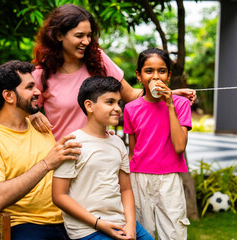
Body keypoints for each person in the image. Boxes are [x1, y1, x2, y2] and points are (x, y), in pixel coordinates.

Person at [30, 3, 196, 140]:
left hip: (99, 158)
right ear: (59, 35)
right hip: (63, 159)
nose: (86, 41)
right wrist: (32, 114)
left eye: (89, 35)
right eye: (79, 35)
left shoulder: (98, 60)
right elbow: (17, 113)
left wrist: (170, 94)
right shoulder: (42, 74)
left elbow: (130, 94)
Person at [0, 60, 82, 240]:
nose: (37, 92)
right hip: (21, 225)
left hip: (66, 220)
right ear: (8, 96)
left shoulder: (40, 126)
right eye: (30, 87)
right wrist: (46, 164)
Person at [52, 76, 154, 240]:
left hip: (120, 222)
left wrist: (131, 224)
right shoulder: (72, 143)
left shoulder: (118, 143)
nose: (117, 108)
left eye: (119, 102)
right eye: (110, 102)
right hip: (88, 229)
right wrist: (98, 223)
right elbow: (59, 196)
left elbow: (125, 189)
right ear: (89, 105)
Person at [123, 48, 192, 240]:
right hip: (139, 178)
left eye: (161, 71)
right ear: (139, 75)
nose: (156, 76)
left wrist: (169, 104)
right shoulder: (130, 108)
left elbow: (180, 147)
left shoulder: (180, 104)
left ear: (169, 76)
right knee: (142, 232)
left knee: (174, 233)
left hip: (169, 179)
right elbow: (132, 150)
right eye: (149, 71)